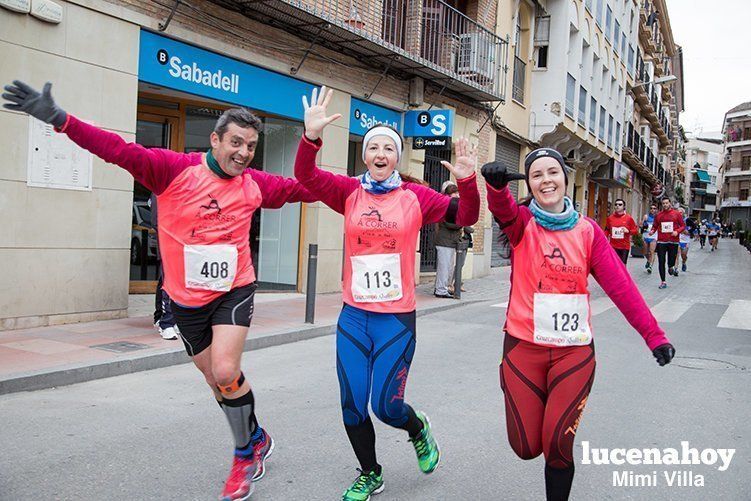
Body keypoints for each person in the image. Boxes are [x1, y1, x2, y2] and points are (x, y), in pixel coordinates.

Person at [1, 80, 321, 500]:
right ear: (215, 139)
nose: (243, 153)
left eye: (250, 146)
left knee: (226, 371)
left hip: (234, 288)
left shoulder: (255, 184)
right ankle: (256, 436)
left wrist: (364, 181)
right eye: (236, 143)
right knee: (215, 381)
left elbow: (311, 186)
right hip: (185, 299)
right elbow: (115, 149)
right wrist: (60, 120)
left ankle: (244, 455)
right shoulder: (172, 169)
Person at [295, 87, 480, 500]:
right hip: (354, 316)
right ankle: (370, 472)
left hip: (395, 319)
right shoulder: (348, 193)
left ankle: (418, 428)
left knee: (386, 407)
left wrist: (467, 180)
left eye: (388, 148)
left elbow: (466, 215)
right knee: (352, 404)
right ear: (365, 155)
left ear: (397, 157)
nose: (380, 154)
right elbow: (305, 178)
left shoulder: (415, 197)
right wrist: (310, 140)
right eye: (373, 147)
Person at [481, 150, 675, 501]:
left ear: (565, 178)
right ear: (530, 183)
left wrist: (654, 336)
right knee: (525, 447)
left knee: (557, 443)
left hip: (574, 353)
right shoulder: (523, 223)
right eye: (536, 174)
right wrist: (496, 189)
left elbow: (622, 288)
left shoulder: (588, 232)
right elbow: (504, 211)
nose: (546, 180)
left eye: (552, 172)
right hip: (523, 349)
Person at [150, 193, 180, 340]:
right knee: (169, 281)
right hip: (169, 242)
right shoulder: (161, 188)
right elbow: (156, 220)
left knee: (169, 281)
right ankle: (166, 322)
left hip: (184, 243)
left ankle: (168, 319)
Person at [648, 197, 685, 289]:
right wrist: (652, 231)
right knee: (661, 261)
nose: (665, 205)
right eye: (663, 203)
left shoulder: (676, 214)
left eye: (666, 203)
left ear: (670, 204)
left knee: (671, 261)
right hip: (661, 241)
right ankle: (663, 281)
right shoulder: (659, 215)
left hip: (673, 241)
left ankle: (671, 267)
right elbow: (655, 226)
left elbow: (683, 226)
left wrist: (677, 231)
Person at [434, 182, 462, 298]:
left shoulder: (453, 205)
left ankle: (443, 288)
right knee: (444, 268)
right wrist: (461, 223)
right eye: (454, 193)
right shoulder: (446, 205)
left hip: (451, 242)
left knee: (449, 267)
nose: (456, 195)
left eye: (457, 192)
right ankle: (440, 290)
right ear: (448, 194)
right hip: (444, 241)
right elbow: (450, 224)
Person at [604, 198, 638, 264]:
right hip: (613, 246)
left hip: (624, 246)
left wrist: (628, 231)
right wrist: (605, 237)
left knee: (622, 265)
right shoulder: (610, 218)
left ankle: (622, 274)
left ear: (624, 207)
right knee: (613, 264)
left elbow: (635, 231)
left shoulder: (628, 218)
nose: (617, 206)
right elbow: (607, 229)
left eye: (620, 204)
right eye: (616, 204)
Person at [641, 203, 658, 273]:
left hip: (654, 236)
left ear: (656, 210)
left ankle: (650, 266)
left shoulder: (658, 218)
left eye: (654, 208)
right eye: (651, 208)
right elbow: (640, 224)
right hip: (646, 235)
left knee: (652, 252)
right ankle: (648, 260)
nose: (652, 210)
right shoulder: (646, 216)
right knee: (645, 252)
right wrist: (643, 226)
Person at [677, 208, 693, 272]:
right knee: (677, 255)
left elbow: (694, 227)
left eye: (681, 212)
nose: (679, 214)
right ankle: (676, 268)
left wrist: (689, 231)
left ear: (683, 213)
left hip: (686, 241)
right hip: (678, 240)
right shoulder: (675, 220)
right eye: (678, 212)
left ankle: (684, 262)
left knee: (684, 255)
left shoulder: (687, 220)